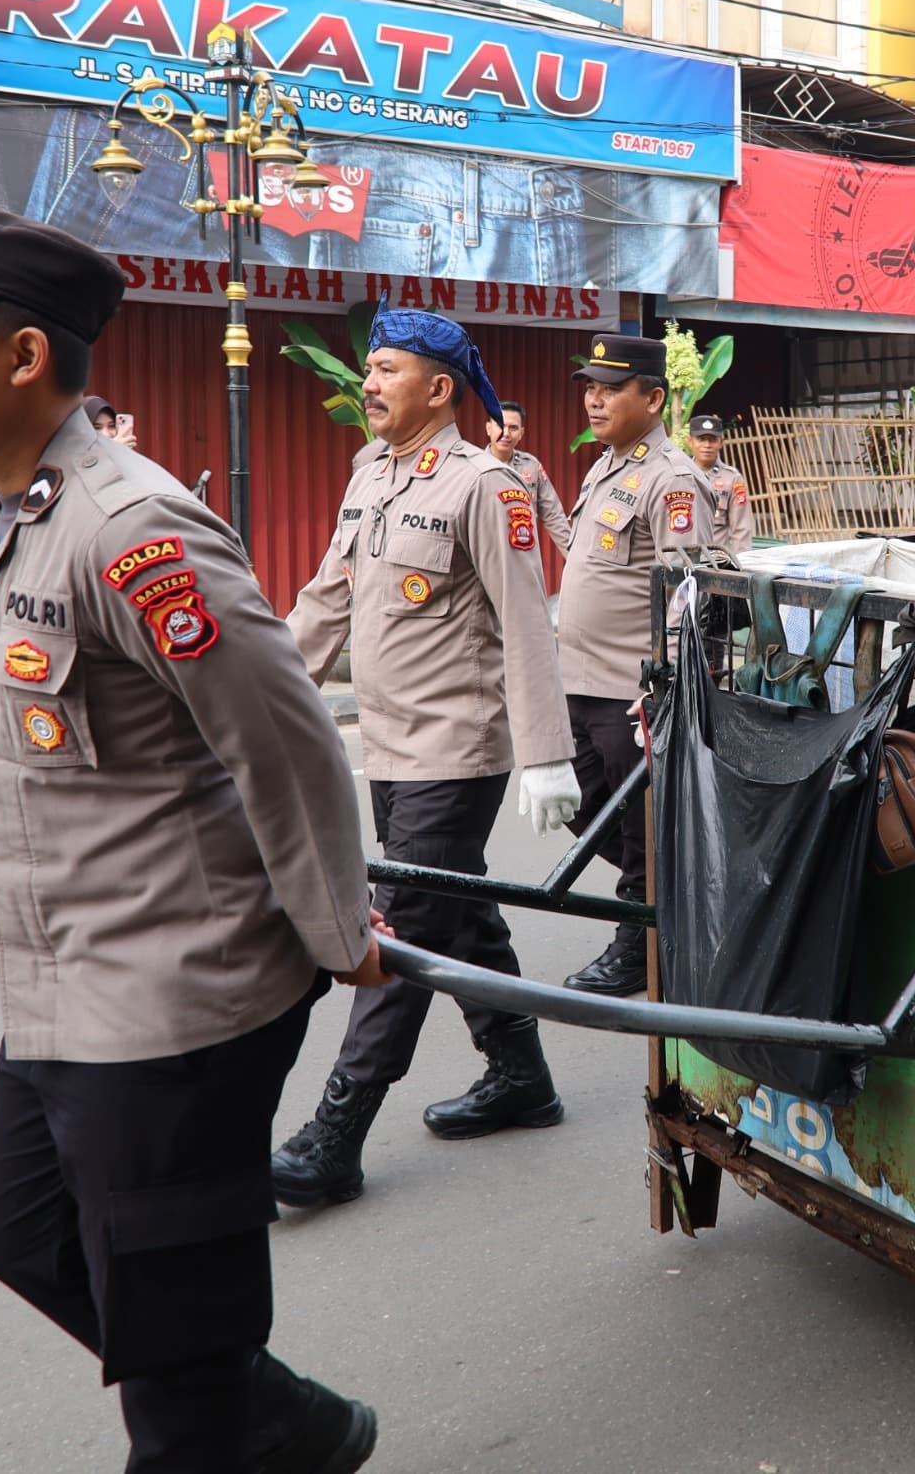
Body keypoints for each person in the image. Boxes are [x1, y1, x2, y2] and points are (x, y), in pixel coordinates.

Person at [0, 205, 389, 1473]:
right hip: (60, 991)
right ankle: (275, 1414)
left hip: (175, 1013)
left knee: (175, 1407)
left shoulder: (136, 532)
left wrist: (337, 930)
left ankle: (233, 1411)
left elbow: (285, 738)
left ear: (22, 358)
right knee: (28, 1237)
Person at [270, 312, 582, 1208]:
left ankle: (337, 1132)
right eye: (367, 369)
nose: (367, 383)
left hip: (458, 748)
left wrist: (546, 755)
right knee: (460, 916)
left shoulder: (486, 486)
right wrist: (262, 702)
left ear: (439, 389)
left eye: (386, 369)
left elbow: (526, 617)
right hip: (392, 748)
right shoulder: (370, 473)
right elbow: (326, 599)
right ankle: (521, 1075)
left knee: (399, 934)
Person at [555, 332, 709, 996]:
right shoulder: (606, 465)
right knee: (578, 805)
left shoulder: (671, 478)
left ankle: (638, 945)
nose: (595, 399)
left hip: (629, 691)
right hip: (577, 682)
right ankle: (675, 893)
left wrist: (664, 687)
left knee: (641, 822)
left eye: (611, 388)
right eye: (591, 387)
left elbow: (688, 589)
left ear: (653, 397)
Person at [485, 398, 573, 548]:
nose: (506, 433)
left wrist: (573, 558)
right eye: (500, 425)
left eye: (513, 428)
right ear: (488, 428)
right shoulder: (473, 468)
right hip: (486, 554)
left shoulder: (531, 466)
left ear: (521, 433)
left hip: (523, 551)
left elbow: (553, 516)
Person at [688, 413, 756, 555]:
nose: (707, 445)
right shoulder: (677, 475)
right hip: (681, 560)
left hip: (715, 563)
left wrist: (741, 566)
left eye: (712, 440)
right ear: (690, 441)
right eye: (701, 439)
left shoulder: (732, 479)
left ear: (721, 443)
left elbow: (741, 528)